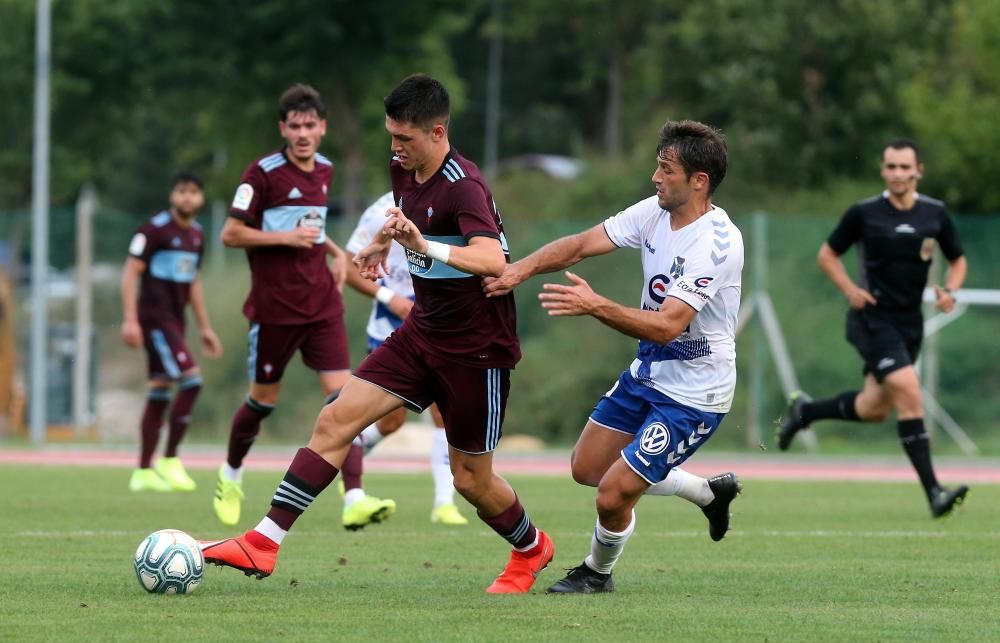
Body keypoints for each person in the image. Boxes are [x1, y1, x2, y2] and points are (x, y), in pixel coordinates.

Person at [202, 73, 553, 594]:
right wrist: (382, 246)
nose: (394, 147)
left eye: (404, 138)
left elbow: (492, 260)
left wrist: (420, 245)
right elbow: (410, 219)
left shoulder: (465, 185)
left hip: (477, 349)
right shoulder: (403, 167)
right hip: (422, 332)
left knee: (470, 481)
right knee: (336, 417)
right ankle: (263, 541)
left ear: (437, 132)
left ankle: (531, 548)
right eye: (390, 135)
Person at [483, 120, 743, 594]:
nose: (655, 177)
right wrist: (517, 270)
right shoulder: (655, 212)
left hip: (696, 390)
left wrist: (593, 305)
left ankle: (597, 573)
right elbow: (581, 245)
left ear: (698, 181)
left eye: (666, 169)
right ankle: (707, 492)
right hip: (650, 370)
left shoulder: (716, 244)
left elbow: (667, 326)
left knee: (613, 494)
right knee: (587, 467)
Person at [214, 83, 395, 530]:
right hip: (275, 310)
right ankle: (231, 473)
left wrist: (334, 250)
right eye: (294, 126)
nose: (302, 133)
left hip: (321, 307)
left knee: (345, 399)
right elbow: (231, 234)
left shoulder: (326, 170)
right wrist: (282, 237)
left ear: (322, 128)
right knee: (262, 402)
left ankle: (354, 496)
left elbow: (311, 229)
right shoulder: (262, 174)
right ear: (283, 128)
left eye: (310, 125)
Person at [777, 138, 969, 518]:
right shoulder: (864, 213)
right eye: (891, 167)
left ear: (918, 171)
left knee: (875, 408)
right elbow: (827, 254)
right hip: (872, 319)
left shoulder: (934, 214)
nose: (898, 173)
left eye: (905, 167)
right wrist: (850, 289)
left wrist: (950, 290)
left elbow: (957, 259)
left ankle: (806, 412)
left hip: (910, 322)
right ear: (883, 170)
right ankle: (934, 492)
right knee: (909, 390)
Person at [343, 190, 468, 526]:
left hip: (436, 326)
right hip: (389, 329)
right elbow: (347, 265)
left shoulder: (453, 200)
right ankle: (349, 457)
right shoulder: (378, 211)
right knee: (389, 422)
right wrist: (389, 297)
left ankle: (444, 503)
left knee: (445, 413)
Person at [120, 171, 223, 492]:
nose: (187, 198)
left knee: (160, 388)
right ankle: (169, 459)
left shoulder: (197, 235)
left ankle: (143, 472)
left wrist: (205, 327)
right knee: (191, 380)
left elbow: (193, 282)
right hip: (154, 320)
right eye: (182, 191)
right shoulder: (154, 230)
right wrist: (130, 319)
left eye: (193, 192)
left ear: (201, 198)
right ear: (172, 196)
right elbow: (130, 273)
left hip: (175, 322)